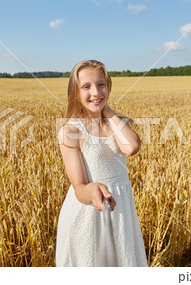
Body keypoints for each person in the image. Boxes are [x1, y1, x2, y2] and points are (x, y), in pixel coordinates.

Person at [55, 60, 148, 267]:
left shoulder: (116, 124)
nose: (96, 92)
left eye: (101, 85)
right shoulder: (71, 132)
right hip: (88, 211)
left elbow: (131, 147)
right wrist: (94, 190)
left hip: (121, 208)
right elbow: (79, 187)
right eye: (86, 87)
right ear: (75, 93)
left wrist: (108, 112)